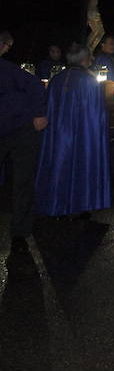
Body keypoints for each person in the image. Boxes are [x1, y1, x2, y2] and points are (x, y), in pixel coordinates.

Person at [34, 44, 111, 217]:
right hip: (83, 134)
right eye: (90, 57)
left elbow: (46, 107)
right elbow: (97, 114)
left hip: (58, 134)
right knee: (81, 163)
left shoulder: (57, 80)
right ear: (84, 59)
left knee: (59, 163)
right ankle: (80, 204)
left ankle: (56, 204)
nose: (91, 60)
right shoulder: (89, 81)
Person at [0, 30, 47, 251]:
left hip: (21, 129)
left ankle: (21, 227)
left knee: (23, 179)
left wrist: (39, 113)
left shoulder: (8, 70)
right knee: (22, 179)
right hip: (11, 127)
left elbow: (36, 85)